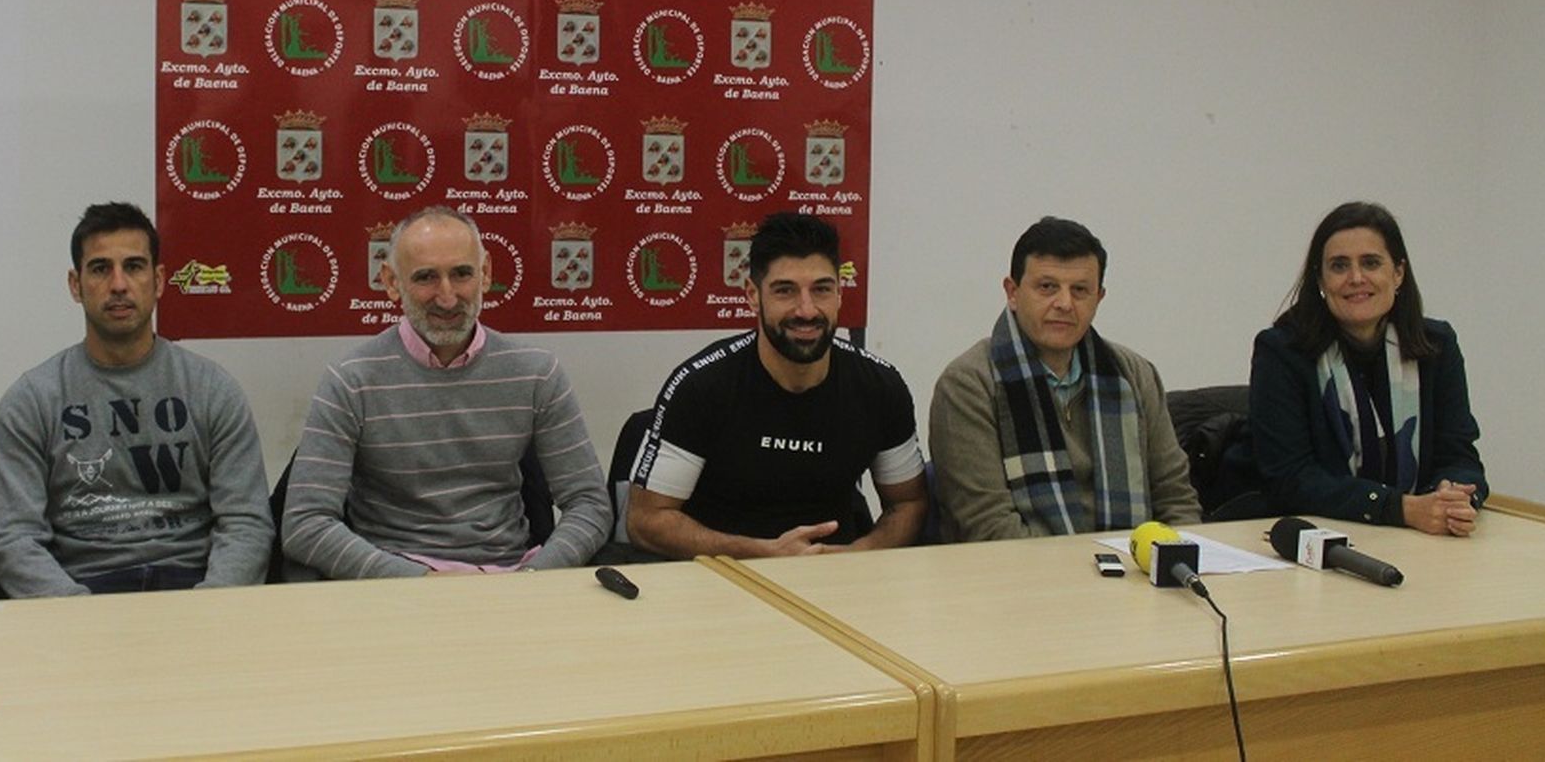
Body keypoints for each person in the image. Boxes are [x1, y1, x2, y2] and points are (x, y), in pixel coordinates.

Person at [281, 206, 610, 578]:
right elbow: (305, 524)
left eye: (462, 274)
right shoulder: (351, 380)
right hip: (395, 588)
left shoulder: (536, 373)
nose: (448, 297)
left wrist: (533, 579)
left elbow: (590, 504)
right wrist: (421, 581)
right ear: (391, 282)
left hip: (510, 580)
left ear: (485, 273)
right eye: (426, 278)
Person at [0, 202, 272, 596]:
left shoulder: (212, 389)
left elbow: (246, 523)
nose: (118, 284)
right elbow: (13, 539)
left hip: (192, 585)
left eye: (134, 267)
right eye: (101, 269)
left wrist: (212, 608)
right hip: (81, 589)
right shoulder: (32, 400)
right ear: (75, 284)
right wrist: (76, 614)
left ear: (158, 281)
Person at [627, 212, 927, 558]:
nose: (806, 309)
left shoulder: (879, 387)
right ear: (753, 295)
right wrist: (763, 554)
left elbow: (909, 503)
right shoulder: (702, 387)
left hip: (839, 581)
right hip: (723, 579)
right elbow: (646, 520)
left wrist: (859, 554)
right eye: (785, 291)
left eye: (822, 290)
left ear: (840, 294)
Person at [929, 217, 1200, 540]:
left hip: (1134, 575)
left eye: (1080, 290)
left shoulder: (1135, 374)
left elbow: (1176, 499)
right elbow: (989, 528)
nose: (1064, 303)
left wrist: (1171, 561)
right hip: (1017, 579)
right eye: (1047, 287)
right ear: (1012, 293)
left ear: (1099, 298)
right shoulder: (969, 384)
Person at [1237, 201, 1487, 535]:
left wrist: (1455, 498)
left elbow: (1459, 453)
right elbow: (1290, 479)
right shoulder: (1282, 351)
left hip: (1418, 536)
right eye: (1339, 266)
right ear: (1320, 280)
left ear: (1398, 273)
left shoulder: (1436, 346)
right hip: (1313, 538)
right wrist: (1399, 508)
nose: (1356, 278)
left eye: (1371, 263)